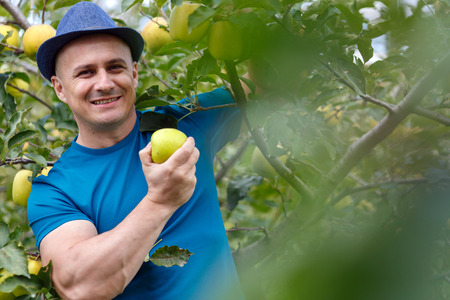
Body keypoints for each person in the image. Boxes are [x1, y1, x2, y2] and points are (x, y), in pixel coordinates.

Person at [27, 2, 244, 299]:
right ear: (60, 88)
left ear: (134, 74)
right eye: (86, 73)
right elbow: (79, 286)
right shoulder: (53, 188)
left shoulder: (182, 120)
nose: (104, 83)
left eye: (115, 67)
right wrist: (160, 201)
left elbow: (270, 84)